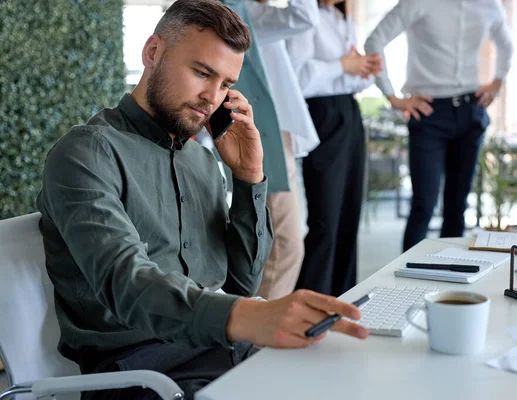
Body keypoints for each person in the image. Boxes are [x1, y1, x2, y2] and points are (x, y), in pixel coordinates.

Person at [35, 1, 368, 398]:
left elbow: (241, 284)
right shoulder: (87, 153)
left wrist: (248, 177)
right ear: (153, 52)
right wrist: (250, 316)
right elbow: (127, 285)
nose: (212, 97)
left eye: (226, 84)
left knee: (351, 374)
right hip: (140, 373)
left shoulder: (203, 161)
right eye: (202, 73)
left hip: (221, 351)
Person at [365, 0, 513, 251]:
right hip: (430, 112)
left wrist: (498, 81)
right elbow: (374, 41)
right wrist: (392, 97)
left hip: (470, 110)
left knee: (458, 205)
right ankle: (409, 281)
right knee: (424, 203)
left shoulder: (489, 4)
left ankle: (449, 276)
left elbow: (506, 45)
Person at [286, 0, 382, 297]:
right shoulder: (304, 16)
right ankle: (311, 300)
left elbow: (354, 81)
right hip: (322, 114)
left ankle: (343, 296)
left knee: (349, 211)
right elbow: (297, 77)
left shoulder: (342, 20)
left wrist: (363, 70)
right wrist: (344, 65)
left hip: (349, 111)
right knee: (326, 217)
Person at [246, 0, 321, 299]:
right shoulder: (243, 11)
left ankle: (258, 332)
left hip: (275, 135)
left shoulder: (253, 11)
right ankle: (259, 336)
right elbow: (304, 14)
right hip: (265, 137)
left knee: (280, 245)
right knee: (285, 245)